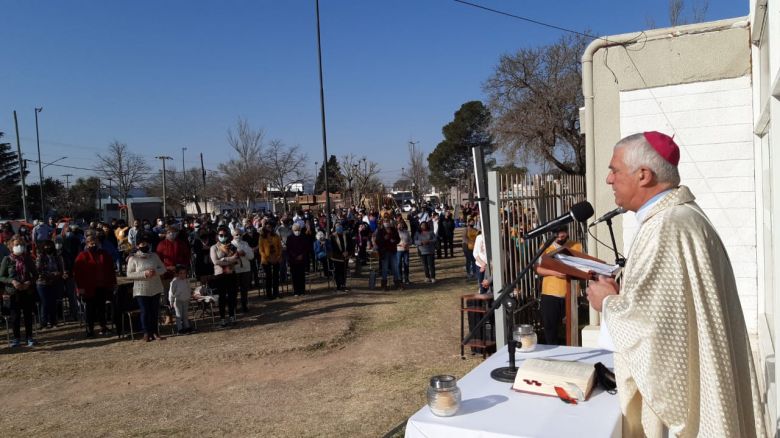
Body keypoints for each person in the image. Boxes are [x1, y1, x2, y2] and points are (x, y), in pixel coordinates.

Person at [586, 132, 765, 437]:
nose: (608, 179)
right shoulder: (681, 217)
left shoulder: (667, 227)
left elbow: (655, 330)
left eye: (614, 170)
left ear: (643, 175)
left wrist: (608, 303)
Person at [533, 226, 581, 345]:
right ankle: (552, 350)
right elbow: (538, 269)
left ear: (567, 232)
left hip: (570, 292)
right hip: (549, 293)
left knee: (570, 326)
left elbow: (582, 267)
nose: (560, 236)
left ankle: (570, 348)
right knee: (550, 327)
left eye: (562, 233)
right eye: (557, 234)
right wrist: (554, 273)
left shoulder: (577, 246)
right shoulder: (545, 246)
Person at [73, 234, 116, 337]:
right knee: (90, 310)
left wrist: (113, 283)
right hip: (88, 288)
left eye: (95, 242)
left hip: (102, 286)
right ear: (87, 244)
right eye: (91, 242)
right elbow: (77, 274)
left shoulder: (104, 254)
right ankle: (90, 329)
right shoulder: (82, 256)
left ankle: (103, 327)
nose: (93, 244)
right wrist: (80, 289)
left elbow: (111, 270)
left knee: (102, 308)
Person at [0, 236, 39, 347]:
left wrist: (29, 282)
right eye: (17, 245)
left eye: (21, 245)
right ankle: (16, 338)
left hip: (27, 291)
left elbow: (35, 275)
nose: (19, 247)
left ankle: (29, 337)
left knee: (28, 315)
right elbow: (1, 276)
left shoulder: (27, 259)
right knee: (15, 317)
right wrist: (12, 281)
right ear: (11, 246)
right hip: (13, 292)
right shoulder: (7, 259)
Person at [126, 239, 166, 342]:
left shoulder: (154, 256)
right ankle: (146, 333)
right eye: (142, 244)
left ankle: (155, 332)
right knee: (145, 311)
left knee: (154, 311)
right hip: (141, 289)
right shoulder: (133, 258)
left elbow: (163, 269)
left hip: (155, 287)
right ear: (138, 246)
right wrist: (144, 274)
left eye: (146, 243)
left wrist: (155, 272)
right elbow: (129, 275)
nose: (145, 245)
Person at [210, 226, 239, 326]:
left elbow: (236, 259)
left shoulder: (232, 246)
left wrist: (223, 260)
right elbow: (215, 261)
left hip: (231, 274)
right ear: (217, 236)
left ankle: (232, 316)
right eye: (221, 235)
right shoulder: (214, 247)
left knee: (232, 296)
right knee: (222, 297)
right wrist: (228, 259)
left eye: (225, 235)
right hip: (220, 275)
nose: (223, 237)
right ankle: (222, 318)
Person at [35, 239, 65, 329]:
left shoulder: (57, 256)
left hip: (54, 282)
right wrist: (51, 274)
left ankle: (53, 321)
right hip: (42, 283)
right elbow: (38, 270)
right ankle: (43, 322)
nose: (48, 248)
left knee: (53, 302)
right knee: (45, 303)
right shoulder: (40, 257)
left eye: (50, 246)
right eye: (46, 246)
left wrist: (60, 273)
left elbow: (61, 268)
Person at [231, 228, 254, 312]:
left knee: (244, 290)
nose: (238, 236)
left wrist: (244, 253)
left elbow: (251, 256)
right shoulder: (230, 244)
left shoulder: (245, 244)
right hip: (235, 270)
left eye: (240, 234)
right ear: (233, 236)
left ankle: (244, 306)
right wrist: (237, 255)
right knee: (235, 290)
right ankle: (234, 307)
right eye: (236, 234)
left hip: (246, 269)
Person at [375, 219, 400, 290]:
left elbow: (398, 239)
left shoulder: (394, 230)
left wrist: (394, 240)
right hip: (384, 252)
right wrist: (384, 238)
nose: (387, 223)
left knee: (395, 267)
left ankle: (397, 283)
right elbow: (377, 241)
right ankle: (384, 285)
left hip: (393, 251)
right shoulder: (380, 231)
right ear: (383, 223)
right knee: (385, 268)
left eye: (388, 221)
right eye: (385, 222)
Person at [286, 223, 310, 296]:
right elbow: (289, 249)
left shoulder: (303, 237)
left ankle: (302, 290)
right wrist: (295, 256)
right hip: (293, 260)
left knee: (301, 276)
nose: (297, 231)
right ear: (293, 230)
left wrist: (302, 255)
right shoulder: (290, 238)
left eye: (299, 230)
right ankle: (296, 291)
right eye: (296, 230)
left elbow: (306, 247)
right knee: (294, 276)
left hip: (302, 259)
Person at [259, 223, 282, 300]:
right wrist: (267, 258)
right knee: (268, 277)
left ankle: (276, 293)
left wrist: (278, 257)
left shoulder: (276, 236)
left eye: (270, 227)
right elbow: (261, 250)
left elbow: (280, 247)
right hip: (266, 260)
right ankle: (269, 294)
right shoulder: (261, 237)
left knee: (276, 277)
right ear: (265, 228)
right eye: (268, 227)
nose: (269, 228)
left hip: (276, 258)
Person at [329, 223, 353, 292]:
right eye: (337, 226)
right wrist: (341, 254)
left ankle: (343, 284)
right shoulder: (332, 237)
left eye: (340, 226)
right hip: (337, 257)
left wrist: (347, 252)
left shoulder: (346, 235)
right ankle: (338, 286)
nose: (339, 228)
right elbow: (332, 249)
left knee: (344, 271)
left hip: (345, 257)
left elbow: (350, 245)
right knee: (338, 271)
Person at [168, 264, 192, 334]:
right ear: (177, 274)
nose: (183, 275)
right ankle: (180, 328)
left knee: (185, 314)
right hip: (178, 300)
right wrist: (171, 301)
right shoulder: (174, 282)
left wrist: (189, 296)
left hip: (185, 300)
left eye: (184, 273)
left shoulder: (187, 281)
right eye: (181, 273)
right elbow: (171, 292)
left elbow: (188, 289)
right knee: (179, 315)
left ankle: (187, 326)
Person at [396, 220, 412, 285]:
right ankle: (400, 279)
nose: (400, 226)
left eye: (402, 224)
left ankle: (406, 279)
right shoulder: (395, 233)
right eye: (399, 225)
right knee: (399, 264)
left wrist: (407, 244)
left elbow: (411, 240)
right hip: (398, 250)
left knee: (406, 264)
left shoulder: (406, 232)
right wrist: (400, 244)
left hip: (406, 250)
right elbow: (393, 242)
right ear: (397, 225)